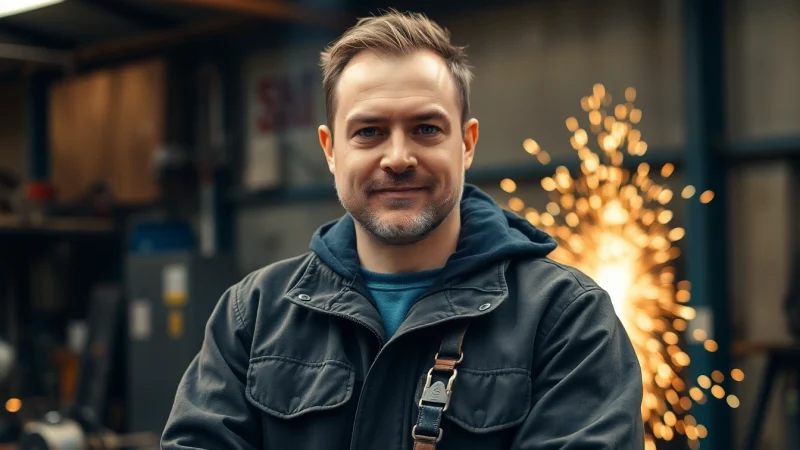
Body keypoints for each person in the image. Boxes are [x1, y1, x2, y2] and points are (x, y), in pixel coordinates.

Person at [161, 9, 644, 450]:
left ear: (467, 143)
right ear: (330, 150)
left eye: (426, 129)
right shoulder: (253, 317)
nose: (397, 158)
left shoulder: (564, 319)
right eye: (368, 131)